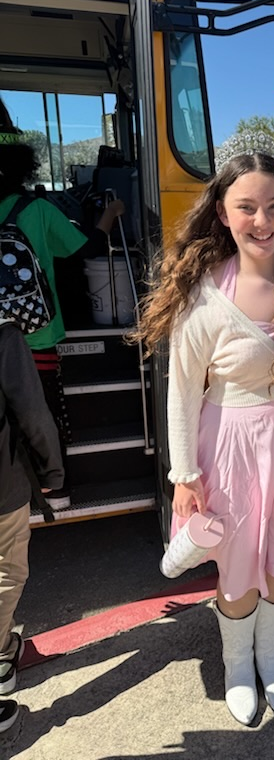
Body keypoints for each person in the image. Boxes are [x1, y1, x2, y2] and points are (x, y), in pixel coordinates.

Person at [135, 152, 274, 725]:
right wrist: (184, 477)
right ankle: (237, 666)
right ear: (222, 214)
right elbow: (183, 392)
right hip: (233, 448)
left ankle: (272, 658)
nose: (262, 220)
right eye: (246, 207)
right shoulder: (204, 295)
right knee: (239, 565)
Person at [0, 103, 124, 510]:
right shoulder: (35, 209)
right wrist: (109, 213)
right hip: (35, 333)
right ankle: (57, 490)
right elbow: (86, 247)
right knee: (45, 412)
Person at [0, 318, 65, 733]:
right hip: (2, 484)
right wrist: (52, 471)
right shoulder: (4, 335)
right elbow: (32, 414)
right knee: (7, 572)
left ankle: (6, 648)